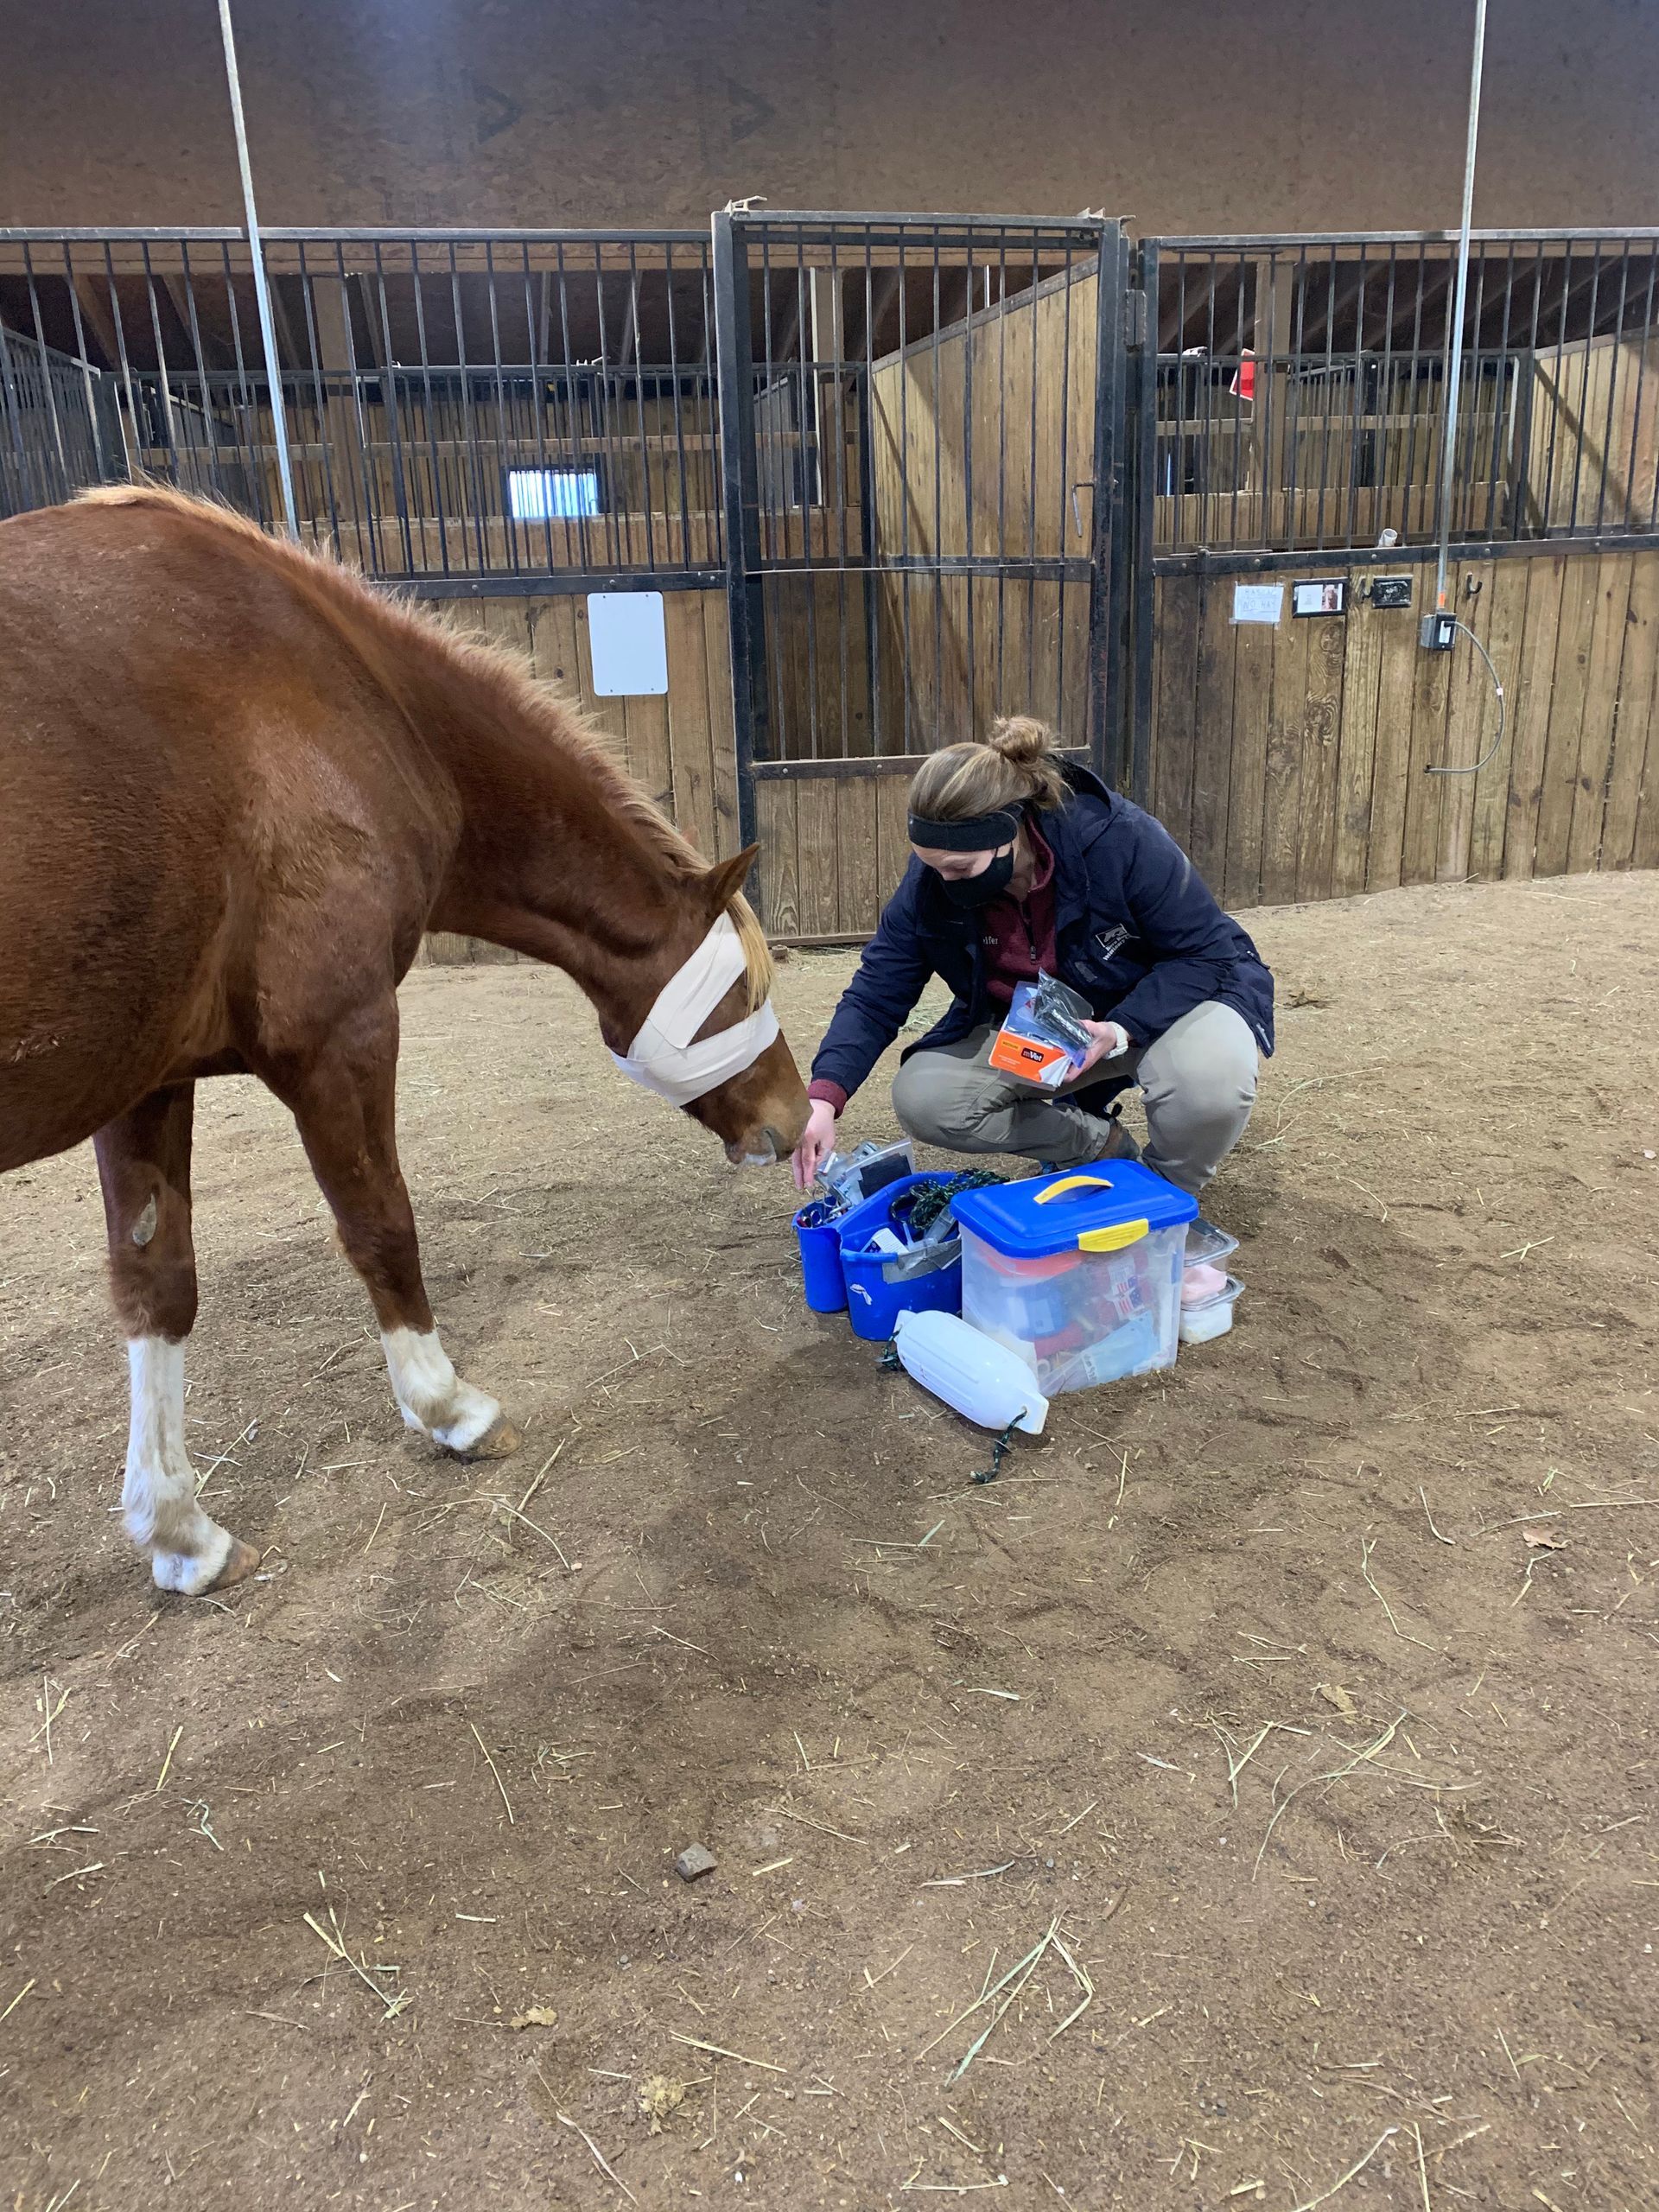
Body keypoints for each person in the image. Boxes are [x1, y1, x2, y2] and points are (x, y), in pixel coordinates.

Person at [791, 717, 1274, 1221]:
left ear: (1009, 830)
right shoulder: (934, 880)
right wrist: (825, 1097)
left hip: (1157, 1006)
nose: (944, 882)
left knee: (1211, 1082)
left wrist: (1119, 1028)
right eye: (932, 866)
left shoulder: (1120, 839)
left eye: (959, 869)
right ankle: (1101, 1150)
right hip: (1052, 1024)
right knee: (929, 1099)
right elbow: (877, 990)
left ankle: (1167, 1195)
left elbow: (1205, 952)